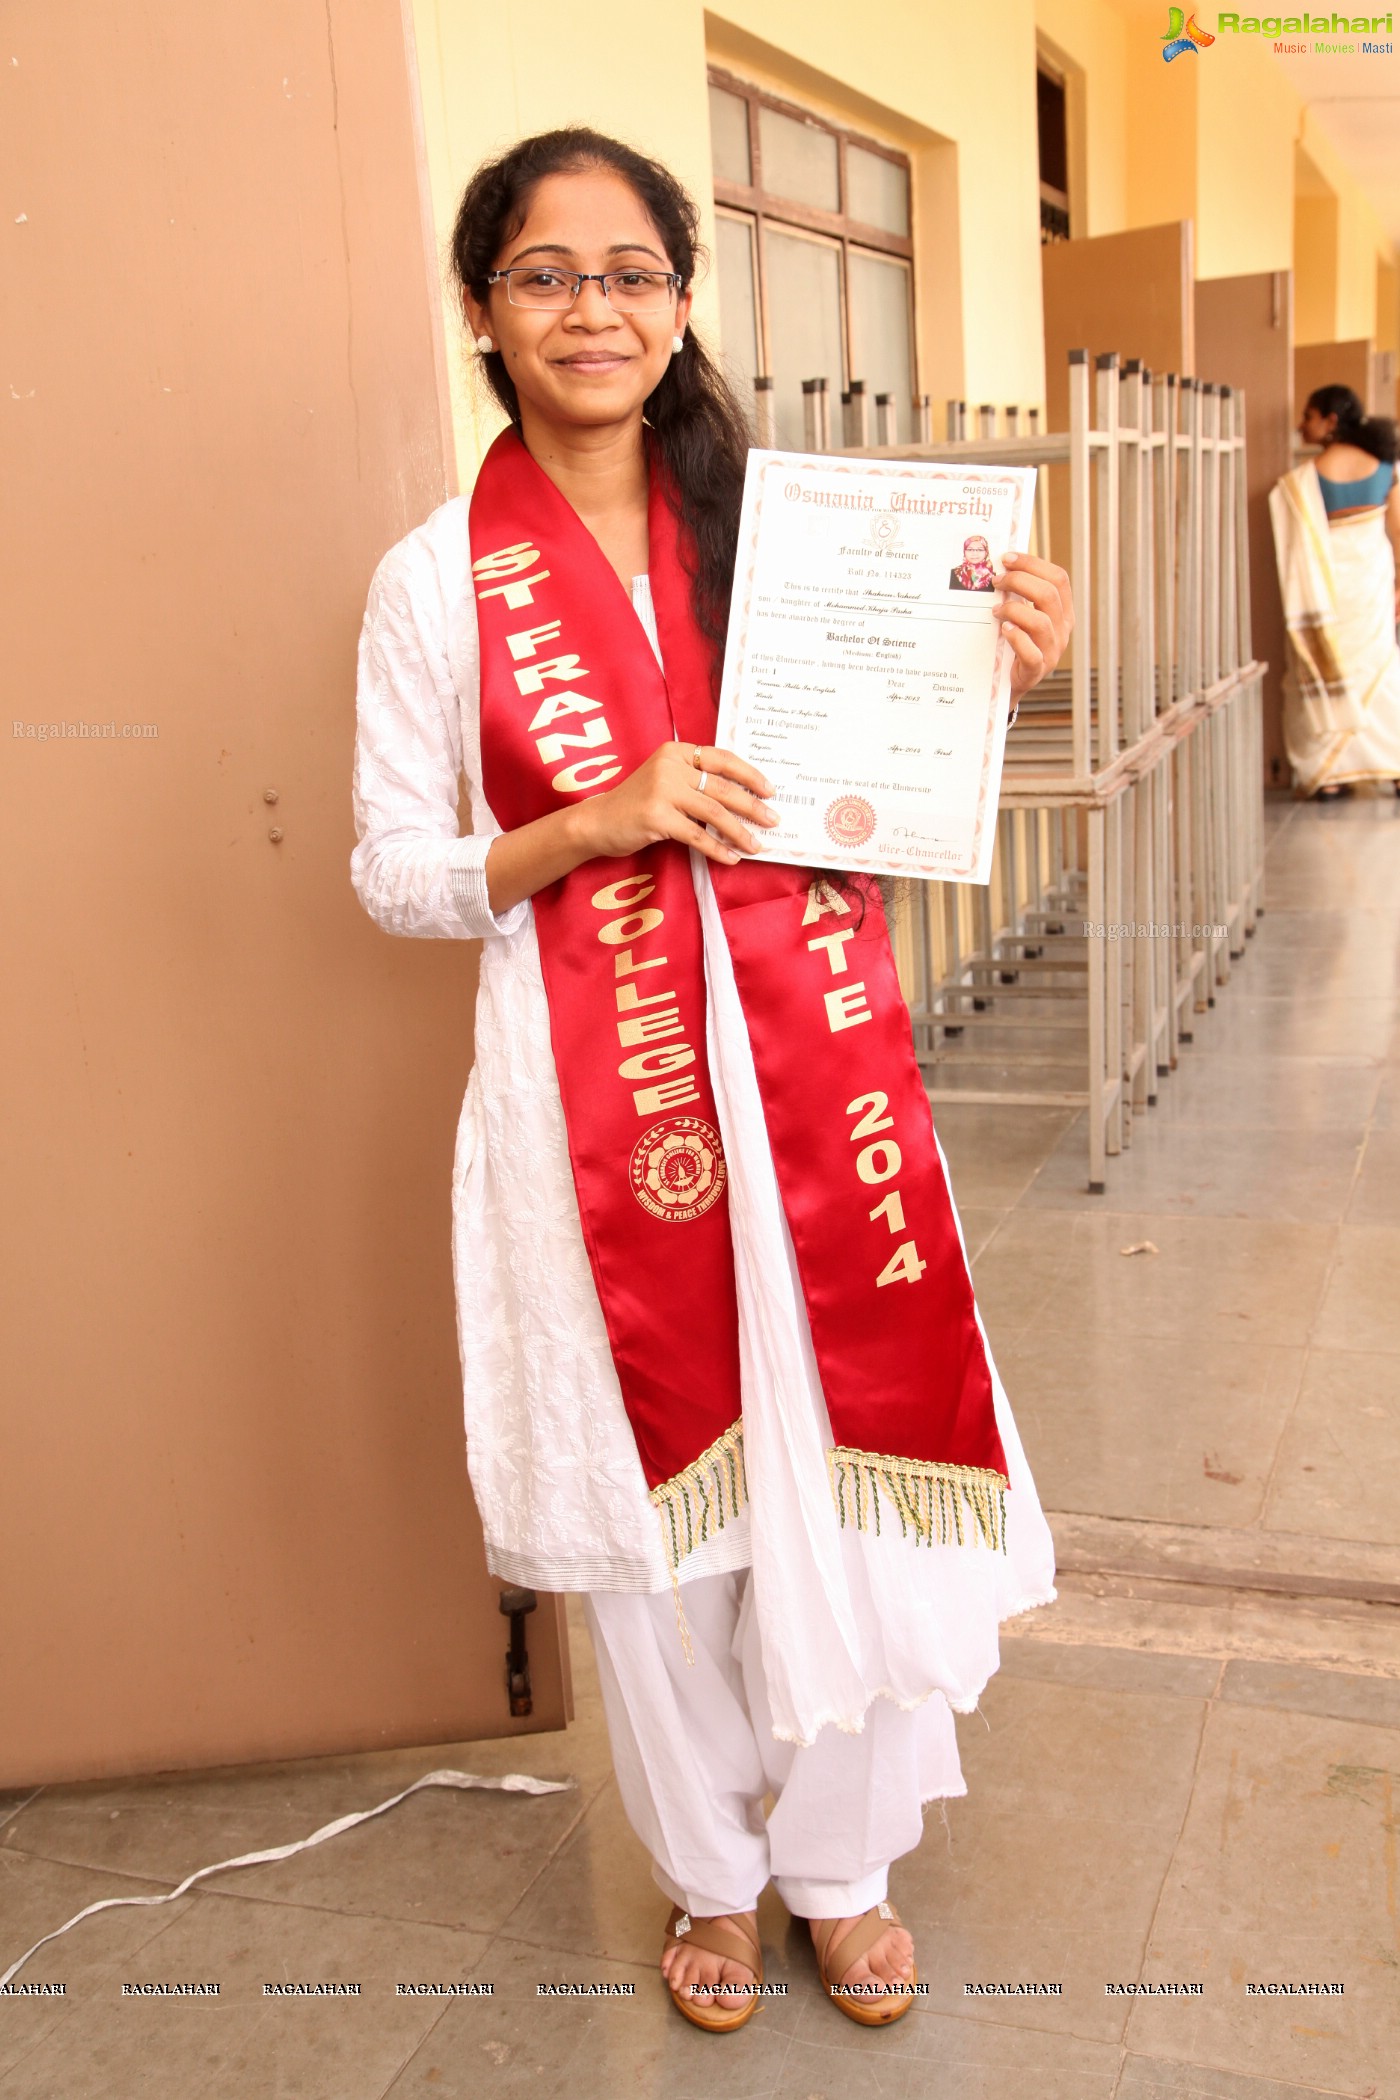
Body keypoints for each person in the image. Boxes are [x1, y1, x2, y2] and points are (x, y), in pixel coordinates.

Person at [350, 127, 1070, 2034]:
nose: (592, 307)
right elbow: (393, 874)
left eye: (630, 272)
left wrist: (1003, 664)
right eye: (543, 274)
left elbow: (886, 787)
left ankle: (841, 1866)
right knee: (659, 1521)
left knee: (854, 1465)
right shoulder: (436, 586)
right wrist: (591, 816)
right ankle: (710, 1876)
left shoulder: (799, 529)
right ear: (486, 312)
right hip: (592, 1118)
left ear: (682, 303)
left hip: (812, 1081)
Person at [1270, 383, 1400, 799]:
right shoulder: (1384, 466)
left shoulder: (1303, 481)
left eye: (1308, 415)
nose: (1300, 424)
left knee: (1327, 667)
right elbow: (1397, 530)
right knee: (1379, 670)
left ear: (1330, 421)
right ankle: (1393, 763)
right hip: (1371, 584)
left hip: (1323, 591)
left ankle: (1329, 775)